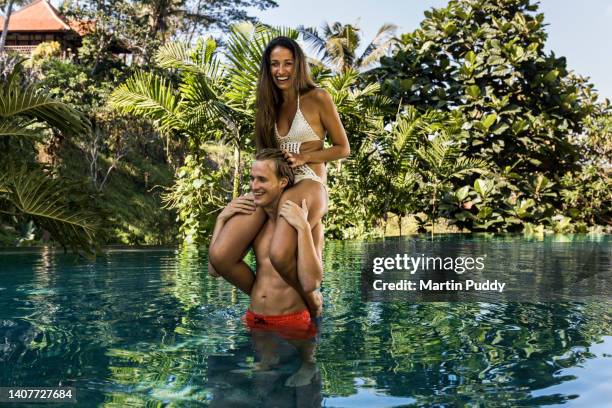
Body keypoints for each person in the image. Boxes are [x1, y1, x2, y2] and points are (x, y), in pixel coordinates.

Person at [208, 36, 350, 311]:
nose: (281, 70)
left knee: (279, 252)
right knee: (222, 255)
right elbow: (265, 156)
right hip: (278, 185)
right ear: (268, 68)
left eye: (288, 63)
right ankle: (263, 300)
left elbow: (343, 148)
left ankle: (311, 302)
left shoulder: (317, 98)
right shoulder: (267, 106)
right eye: (275, 64)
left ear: (298, 65)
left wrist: (305, 156)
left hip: (309, 181)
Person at [210, 149, 323, 385]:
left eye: (262, 179)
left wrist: (303, 228)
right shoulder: (255, 225)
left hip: (292, 321)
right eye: (252, 179)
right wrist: (221, 219)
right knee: (262, 383)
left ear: (282, 182)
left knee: (297, 369)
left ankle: (308, 364)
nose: (253, 186)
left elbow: (313, 281)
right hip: (255, 318)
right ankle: (267, 362)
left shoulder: (304, 220)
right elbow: (214, 270)